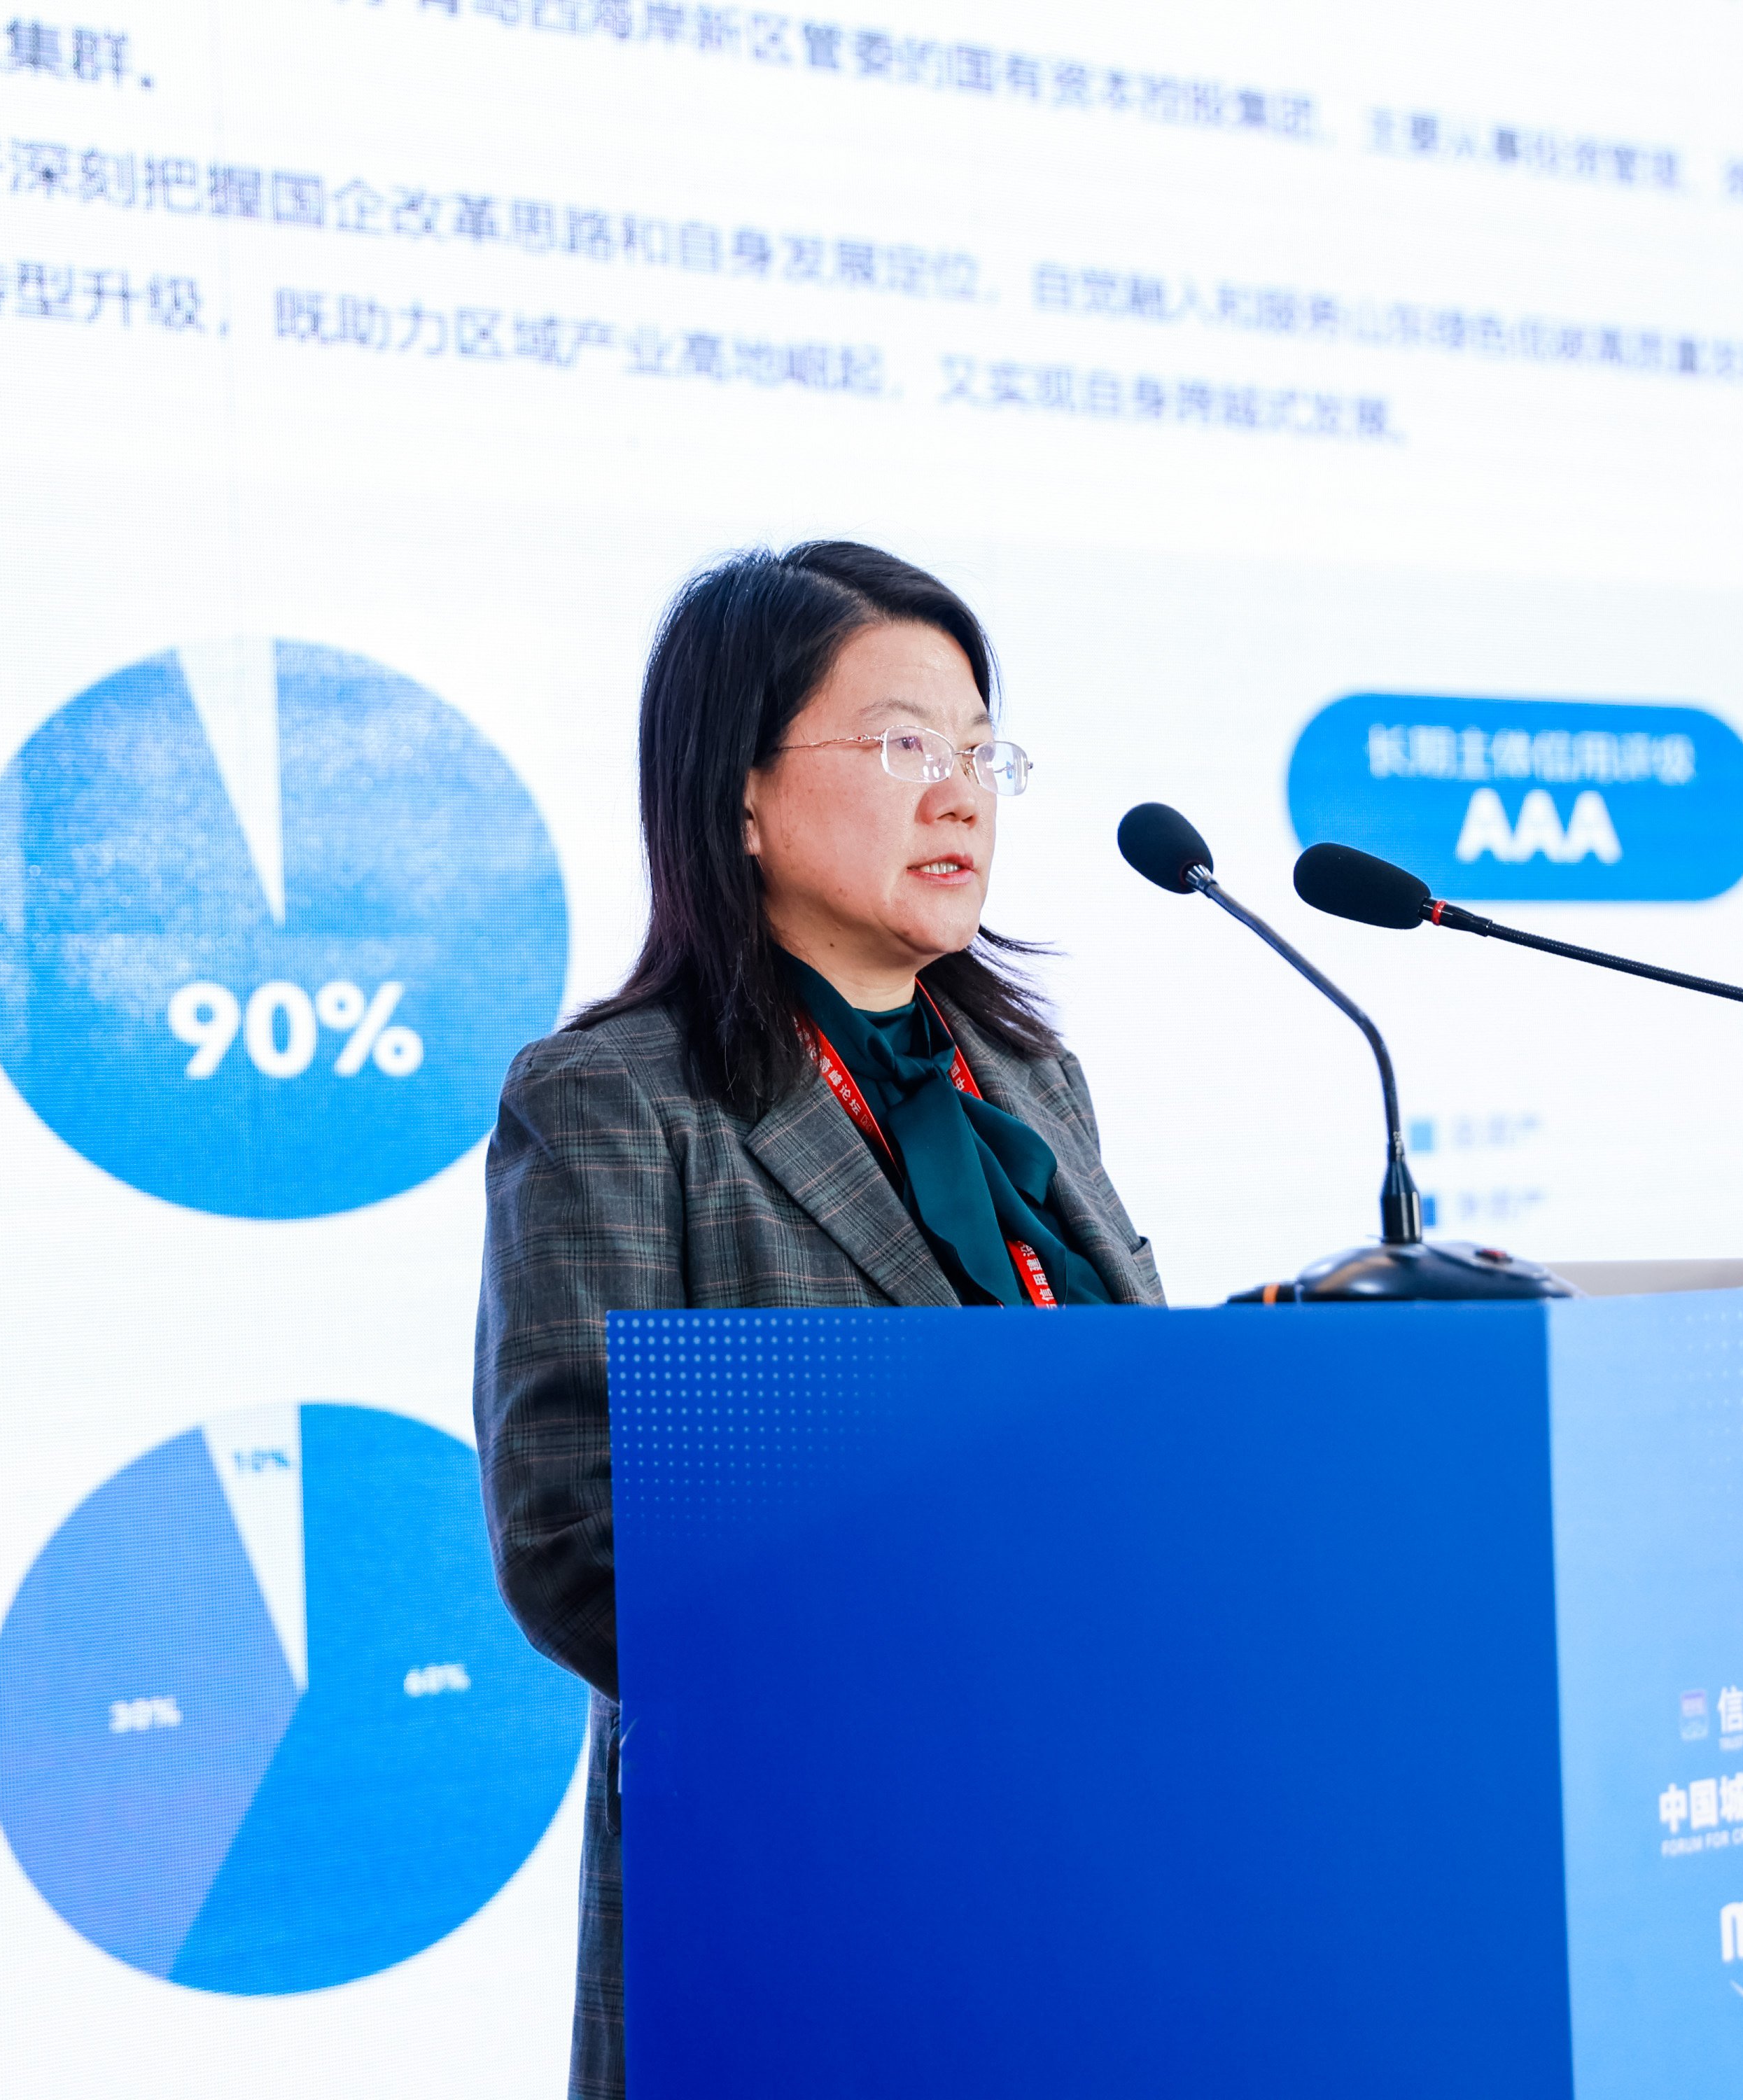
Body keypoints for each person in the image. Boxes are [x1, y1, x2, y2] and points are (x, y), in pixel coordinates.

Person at [472, 541, 1166, 2096]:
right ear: (740, 797)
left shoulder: (1032, 1084)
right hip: (808, 1882)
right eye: (905, 746)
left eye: (982, 752)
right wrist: (944, 1676)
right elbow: (576, 1539)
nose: (962, 796)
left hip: (1090, 1856)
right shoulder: (615, 1102)